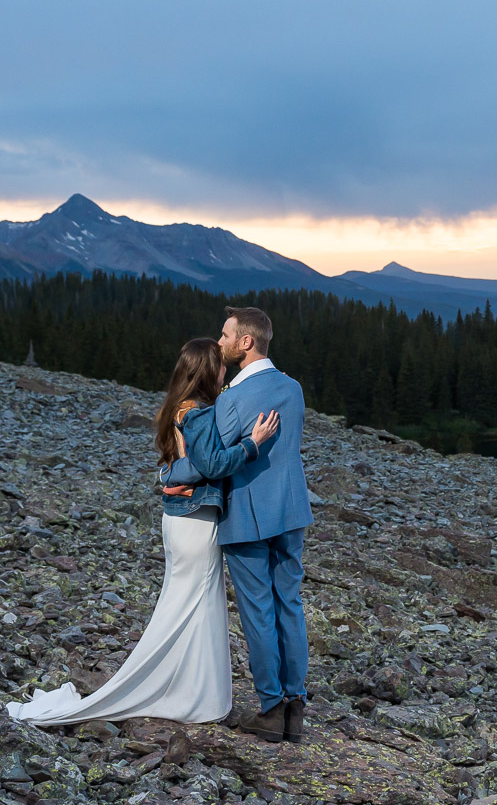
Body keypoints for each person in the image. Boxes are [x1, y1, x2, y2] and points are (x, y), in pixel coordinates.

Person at [5, 338, 278, 726]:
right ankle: (189, 695)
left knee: (188, 604)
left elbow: (175, 466)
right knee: (192, 605)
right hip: (195, 521)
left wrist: (171, 475)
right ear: (205, 371)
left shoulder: (177, 407)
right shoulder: (198, 414)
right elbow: (212, 464)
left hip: (181, 521)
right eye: (219, 366)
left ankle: (190, 691)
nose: (225, 371)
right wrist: (253, 444)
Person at [162, 306, 313, 743]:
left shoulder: (229, 400)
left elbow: (210, 461)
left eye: (226, 334)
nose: (221, 341)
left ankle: (271, 708)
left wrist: (169, 475)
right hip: (292, 512)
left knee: (258, 611)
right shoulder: (292, 388)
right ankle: (296, 703)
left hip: (247, 516)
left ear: (246, 342)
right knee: (290, 604)